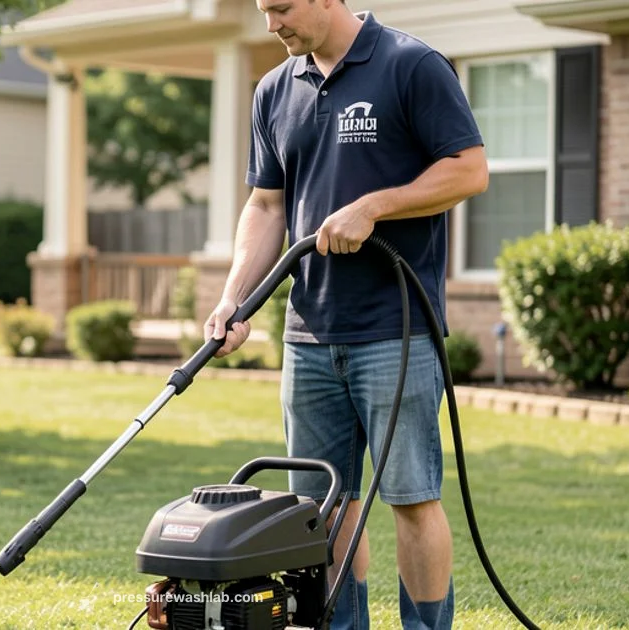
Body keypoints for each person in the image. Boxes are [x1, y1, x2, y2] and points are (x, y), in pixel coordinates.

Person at [203, 2, 488, 629]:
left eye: (282, 7)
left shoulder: (410, 65)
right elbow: (266, 204)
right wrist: (234, 298)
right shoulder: (275, 89)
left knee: (412, 500)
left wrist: (376, 207)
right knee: (323, 507)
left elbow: (469, 171)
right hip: (308, 333)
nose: (271, 23)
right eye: (263, 8)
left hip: (397, 330)